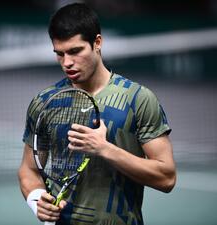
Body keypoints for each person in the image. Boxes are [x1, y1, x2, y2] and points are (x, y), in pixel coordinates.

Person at [18, 3, 176, 225]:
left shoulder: (138, 99)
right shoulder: (44, 103)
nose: (67, 63)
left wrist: (104, 149)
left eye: (75, 51)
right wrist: (36, 199)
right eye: (59, 54)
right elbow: (29, 169)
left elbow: (167, 177)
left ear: (97, 43)